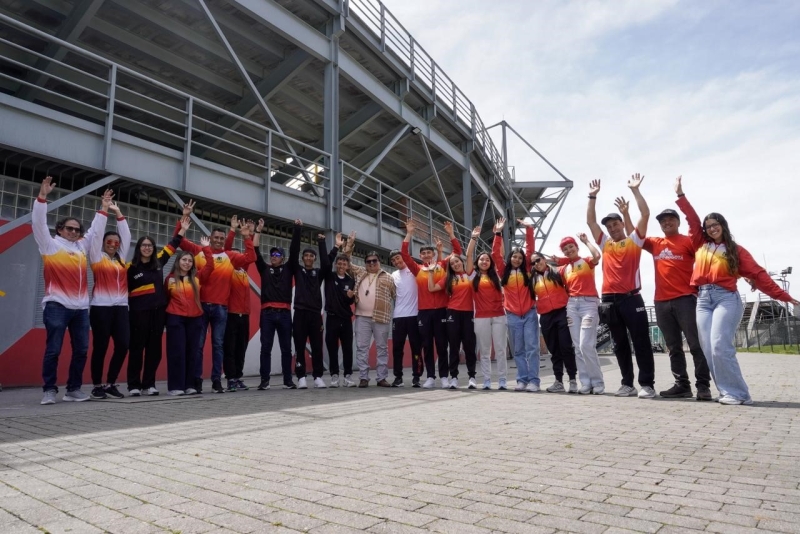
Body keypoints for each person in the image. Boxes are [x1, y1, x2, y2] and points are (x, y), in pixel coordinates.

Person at [684, 201, 799, 405]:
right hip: (702, 300)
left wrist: (784, 297)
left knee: (720, 346)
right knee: (708, 349)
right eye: (708, 226)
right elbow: (692, 220)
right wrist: (681, 196)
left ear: (723, 225)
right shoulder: (700, 244)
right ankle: (727, 391)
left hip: (725, 298)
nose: (712, 228)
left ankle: (738, 394)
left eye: (715, 224)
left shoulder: (735, 250)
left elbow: (758, 275)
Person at [636, 176, 712, 401]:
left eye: (670, 219)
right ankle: (682, 385)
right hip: (661, 302)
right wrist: (635, 195)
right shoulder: (655, 243)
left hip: (686, 299)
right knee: (673, 347)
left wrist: (681, 196)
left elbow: (696, 222)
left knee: (696, 344)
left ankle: (703, 386)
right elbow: (635, 233)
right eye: (663, 220)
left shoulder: (689, 241)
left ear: (677, 222)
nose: (666, 222)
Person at [34, 177, 108, 405]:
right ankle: (49, 390)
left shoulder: (81, 247)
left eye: (77, 230)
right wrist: (42, 198)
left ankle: (73, 389)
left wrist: (104, 208)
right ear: (60, 229)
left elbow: (96, 232)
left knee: (82, 350)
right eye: (69, 229)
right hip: (57, 305)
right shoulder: (50, 245)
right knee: (53, 350)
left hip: (81, 309)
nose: (74, 232)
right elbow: (37, 223)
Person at [587, 175, 657, 399]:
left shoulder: (634, 240)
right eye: (609, 225)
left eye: (616, 224)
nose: (613, 228)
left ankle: (647, 384)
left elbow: (645, 214)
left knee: (641, 342)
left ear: (622, 225)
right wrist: (592, 197)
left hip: (631, 298)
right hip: (609, 300)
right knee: (619, 344)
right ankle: (627, 384)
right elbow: (591, 222)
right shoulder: (604, 243)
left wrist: (636, 191)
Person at [175, 201, 256, 394]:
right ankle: (196, 381)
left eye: (221, 238)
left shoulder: (230, 256)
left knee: (218, 346)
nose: (219, 240)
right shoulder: (199, 251)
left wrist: (246, 237)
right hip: (201, 307)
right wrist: (183, 217)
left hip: (221, 308)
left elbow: (250, 258)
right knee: (199, 346)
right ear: (210, 239)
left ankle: (216, 382)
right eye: (216, 238)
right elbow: (177, 240)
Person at [399, 220, 463, 388]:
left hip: (442, 311)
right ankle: (430, 377)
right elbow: (404, 254)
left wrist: (450, 234)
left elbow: (458, 251)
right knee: (427, 345)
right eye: (424, 254)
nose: (426, 255)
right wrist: (409, 233)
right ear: (420, 256)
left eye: (429, 253)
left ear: (434, 254)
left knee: (442, 345)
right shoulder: (417, 269)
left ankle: (444, 376)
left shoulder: (442, 265)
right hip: (424, 312)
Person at [127, 231, 182, 396]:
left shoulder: (158, 262)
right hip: (138, 314)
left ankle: (149, 384)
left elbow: (172, 246)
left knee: (154, 351)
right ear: (139, 248)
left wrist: (182, 230)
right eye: (144, 245)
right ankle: (133, 385)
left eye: (150, 245)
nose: (147, 248)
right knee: (137, 349)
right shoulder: (130, 268)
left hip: (158, 314)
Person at [88, 194, 131, 400]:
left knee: (123, 344)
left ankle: (111, 383)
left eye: (116, 242)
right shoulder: (97, 257)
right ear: (104, 243)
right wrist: (104, 210)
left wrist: (119, 213)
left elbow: (127, 237)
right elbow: (95, 235)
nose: (113, 244)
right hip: (101, 308)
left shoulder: (121, 260)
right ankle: (97, 385)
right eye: (109, 241)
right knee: (101, 347)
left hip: (121, 307)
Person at [164, 218, 214, 395]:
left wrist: (206, 248)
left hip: (195, 319)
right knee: (177, 352)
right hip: (175, 319)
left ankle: (190, 385)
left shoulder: (198, 277)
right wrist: (181, 228)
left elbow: (210, 265)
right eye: (184, 260)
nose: (187, 263)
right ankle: (175, 387)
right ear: (178, 262)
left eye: (190, 261)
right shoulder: (169, 279)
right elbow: (165, 299)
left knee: (192, 352)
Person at [552, 234, 605, 395]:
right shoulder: (564, 269)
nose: (568, 250)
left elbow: (597, 256)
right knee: (577, 347)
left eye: (570, 247)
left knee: (586, 345)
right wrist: (559, 261)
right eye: (565, 249)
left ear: (576, 246)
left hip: (589, 304)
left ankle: (598, 382)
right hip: (572, 306)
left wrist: (586, 240)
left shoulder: (587, 261)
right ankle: (586, 382)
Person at [492, 217, 540, 392]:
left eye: (520, 257)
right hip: (512, 315)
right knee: (519, 350)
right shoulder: (503, 271)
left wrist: (529, 229)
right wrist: (498, 233)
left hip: (529, 313)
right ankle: (522, 380)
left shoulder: (528, 269)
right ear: (510, 258)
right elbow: (495, 254)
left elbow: (530, 249)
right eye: (514, 257)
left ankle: (534, 381)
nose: (517, 259)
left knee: (532, 348)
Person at [343, 232, 397, 387]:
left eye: (374, 261)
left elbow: (395, 296)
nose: (371, 264)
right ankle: (363, 377)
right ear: (365, 262)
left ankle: (381, 378)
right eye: (368, 261)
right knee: (362, 347)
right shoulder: (360, 272)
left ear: (379, 262)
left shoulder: (388, 277)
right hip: (361, 317)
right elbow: (346, 261)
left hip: (381, 317)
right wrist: (349, 245)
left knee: (382, 348)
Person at [254, 221, 300, 390]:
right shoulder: (264, 269)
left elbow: (294, 251)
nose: (273, 256)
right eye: (272, 254)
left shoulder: (289, 269)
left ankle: (288, 380)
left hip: (285, 314)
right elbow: (255, 250)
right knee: (265, 348)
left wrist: (297, 229)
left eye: (277, 254)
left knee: (286, 349)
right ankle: (264, 380)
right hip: (267, 314)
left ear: (283, 258)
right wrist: (258, 231)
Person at [428, 231, 476, 389]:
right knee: (454, 346)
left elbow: (468, 254)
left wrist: (470, 237)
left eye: (457, 262)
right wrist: (430, 272)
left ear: (461, 263)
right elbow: (432, 288)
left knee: (469, 345)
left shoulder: (469, 274)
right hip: (452, 314)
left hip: (468, 313)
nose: (456, 264)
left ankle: (472, 377)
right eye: (453, 264)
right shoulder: (448, 278)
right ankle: (454, 377)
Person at [222, 217, 263, 392]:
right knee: (230, 348)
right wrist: (232, 232)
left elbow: (251, 255)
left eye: (241, 255)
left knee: (241, 348)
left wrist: (250, 235)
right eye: (236, 255)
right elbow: (226, 250)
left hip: (244, 315)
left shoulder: (244, 271)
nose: (240, 257)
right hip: (231, 314)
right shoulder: (228, 268)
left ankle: (238, 377)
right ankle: (230, 378)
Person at [290, 220, 332, 389]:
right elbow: (293, 252)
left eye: (311, 256)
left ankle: (317, 377)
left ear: (314, 259)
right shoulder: (297, 270)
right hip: (300, 312)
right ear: (303, 258)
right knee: (299, 345)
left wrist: (322, 243)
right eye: (306, 256)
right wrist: (297, 229)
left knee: (316, 346)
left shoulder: (318, 273)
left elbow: (327, 265)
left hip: (315, 314)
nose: (308, 258)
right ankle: (301, 377)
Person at [531, 252, 578, 394]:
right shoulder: (532, 279)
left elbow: (572, 264)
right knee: (554, 350)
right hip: (545, 316)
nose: (536, 264)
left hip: (562, 312)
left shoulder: (557, 271)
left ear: (544, 259)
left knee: (566, 347)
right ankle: (558, 381)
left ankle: (573, 380)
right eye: (533, 262)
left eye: (538, 260)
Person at [470, 228, 508, 390]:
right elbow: (469, 255)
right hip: (481, 318)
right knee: (484, 351)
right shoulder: (472, 276)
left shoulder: (498, 275)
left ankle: (502, 380)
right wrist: (473, 238)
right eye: (482, 260)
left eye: (487, 260)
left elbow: (499, 253)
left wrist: (498, 235)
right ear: (477, 262)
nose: (484, 261)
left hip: (499, 316)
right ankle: (486, 380)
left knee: (500, 349)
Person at [324, 234, 357, 388]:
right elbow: (326, 262)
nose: (342, 266)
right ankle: (334, 375)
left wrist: (351, 297)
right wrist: (336, 247)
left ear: (347, 266)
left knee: (347, 348)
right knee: (332, 347)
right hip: (331, 318)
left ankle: (348, 375)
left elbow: (349, 301)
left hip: (345, 319)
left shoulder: (351, 280)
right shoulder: (329, 277)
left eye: (344, 264)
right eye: (340, 263)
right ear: (336, 264)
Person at [390, 235, 422, 388]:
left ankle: (417, 377)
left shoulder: (415, 270)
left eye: (398, 258)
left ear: (403, 257)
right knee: (397, 349)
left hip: (414, 315)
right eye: (394, 260)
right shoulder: (393, 275)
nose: (397, 261)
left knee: (416, 347)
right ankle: (398, 378)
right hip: (398, 317)